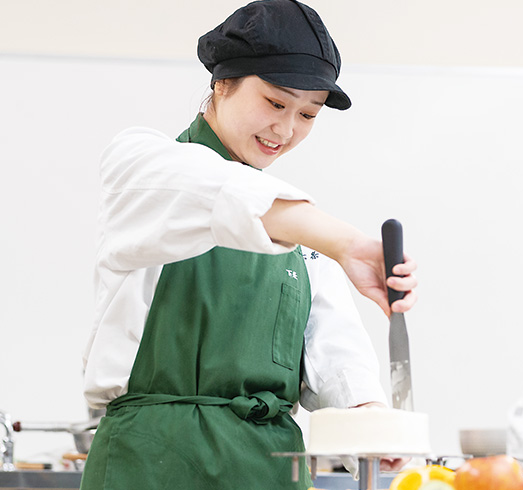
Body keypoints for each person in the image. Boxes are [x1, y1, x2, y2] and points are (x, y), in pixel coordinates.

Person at [79, 1, 417, 488]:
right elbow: (214, 191)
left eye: (308, 114)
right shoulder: (141, 164)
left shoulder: (302, 235)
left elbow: (334, 350)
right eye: (276, 103)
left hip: (270, 466)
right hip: (150, 462)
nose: (286, 130)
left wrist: (368, 420)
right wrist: (346, 243)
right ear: (222, 83)